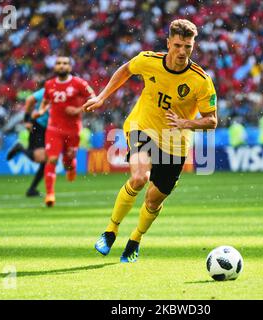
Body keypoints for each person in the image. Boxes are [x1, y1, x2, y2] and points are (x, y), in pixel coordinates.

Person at [83, 19, 217, 263]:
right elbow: (125, 70)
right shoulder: (148, 60)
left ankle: (135, 240)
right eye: (177, 45)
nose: (182, 52)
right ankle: (110, 231)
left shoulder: (201, 80)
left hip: (175, 143)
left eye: (188, 47)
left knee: (153, 200)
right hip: (142, 128)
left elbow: (212, 121)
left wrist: (187, 123)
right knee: (139, 177)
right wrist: (102, 96)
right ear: (168, 43)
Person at [33, 56, 95, 207]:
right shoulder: (49, 85)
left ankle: (71, 167)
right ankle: (50, 194)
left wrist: (78, 110)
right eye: (59, 63)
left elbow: (94, 98)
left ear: (70, 67)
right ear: (55, 67)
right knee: (52, 159)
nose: (62, 66)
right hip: (54, 129)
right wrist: (41, 111)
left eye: (65, 64)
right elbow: (46, 101)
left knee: (68, 161)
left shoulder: (79, 83)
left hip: (73, 130)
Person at [7, 85, 48, 197]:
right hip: (38, 125)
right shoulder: (49, 89)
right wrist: (27, 119)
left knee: (44, 161)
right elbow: (29, 99)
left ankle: (32, 189)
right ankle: (20, 148)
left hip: (45, 127)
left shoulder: (64, 92)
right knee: (41, 158)